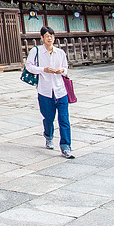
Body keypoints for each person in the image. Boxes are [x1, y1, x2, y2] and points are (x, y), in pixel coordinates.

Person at [26, 26, 74, 159]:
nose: (50, 38)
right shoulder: (36, 51)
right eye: (47, 35)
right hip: (45, 90)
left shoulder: (60, 52)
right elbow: (29, 66)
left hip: (60, 90)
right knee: (48, 117)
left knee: (64, 119)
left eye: (51, 36)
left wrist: (61, 71)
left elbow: (66, 68)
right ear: (42, 38)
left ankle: (66, 146)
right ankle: (48, 135)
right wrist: (43, 69)